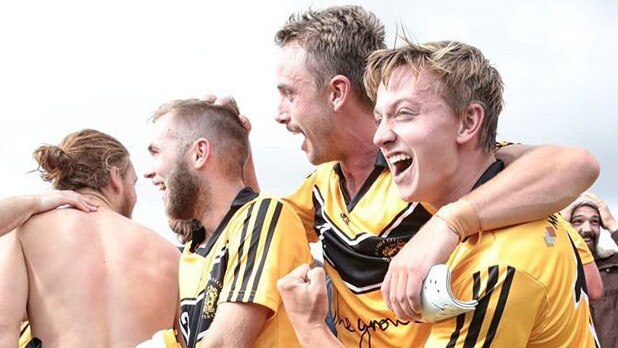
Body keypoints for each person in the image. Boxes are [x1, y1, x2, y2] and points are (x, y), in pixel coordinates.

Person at [274, 5, 598, 347]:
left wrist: (310, 328)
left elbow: (577, 164)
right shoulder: (324, 184)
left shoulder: (493, 247)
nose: (380, 135)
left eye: (404, 113)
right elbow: (254, 219)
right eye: (380, 116)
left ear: (468, 123)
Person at [143, 99, 312, 347]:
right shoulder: (193, 251)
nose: (148, 172)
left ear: (199, 153)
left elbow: (224, 343)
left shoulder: (263, 215)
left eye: (156, 152)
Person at [0, 129, 181, 347]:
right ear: (115, 177)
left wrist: (33, 203)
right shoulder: (170, 253)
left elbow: (3, 331)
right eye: (132, 183)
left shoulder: (25, 235)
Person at [564, 192, 618, 348]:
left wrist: (612, 225)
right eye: (578, 221)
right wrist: (559, 222)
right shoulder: (556, 269)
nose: (587, 229)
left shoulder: (613, 266)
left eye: (594, 222)